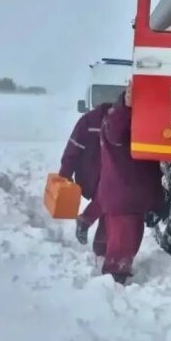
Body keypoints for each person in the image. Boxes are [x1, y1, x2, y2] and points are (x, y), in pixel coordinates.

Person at [97, 80, 163, 284]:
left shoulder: (132, 118)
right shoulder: (118, 117)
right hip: (124, 196)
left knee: (125, 237)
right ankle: (114, 280)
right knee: (123, 242)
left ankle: (110, 263)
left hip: (129, 196)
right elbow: (115, 133)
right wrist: (127, 105)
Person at [58, 101, 112, 255]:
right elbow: (72, 149)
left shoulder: (127, 120)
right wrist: (65, 175)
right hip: (91, 175)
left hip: (114, 175)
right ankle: (87, 223)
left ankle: (101, 251)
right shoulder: (89, 121)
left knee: (111, 209)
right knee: (109, 199)